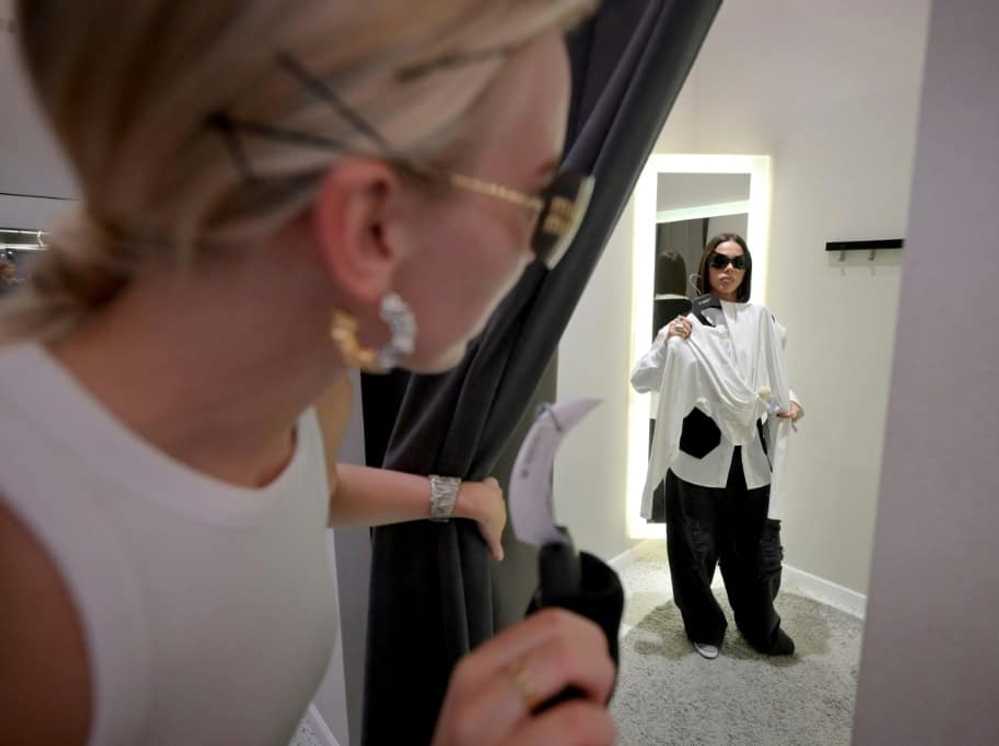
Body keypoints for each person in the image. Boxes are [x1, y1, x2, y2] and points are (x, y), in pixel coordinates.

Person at [0, 2, 617, 744]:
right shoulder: (30, 589)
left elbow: (306, 492)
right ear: (371, 227)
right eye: (547, 204)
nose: (538, 250)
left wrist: (455, 498)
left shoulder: (311, 374)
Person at [631, 233, 804, 660]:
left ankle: (758, 624)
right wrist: (668, 339)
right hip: (698, 456)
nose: (728, 270)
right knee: (693, 549)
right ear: (706, 267)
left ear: (746, 270)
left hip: (749, 459)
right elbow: (642, 379)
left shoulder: (764, 322)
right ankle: (703, 625)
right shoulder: (685, 322)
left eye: (737, 262)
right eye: (720, 261)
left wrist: (793, 401)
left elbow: (774, 374)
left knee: (750, 552)